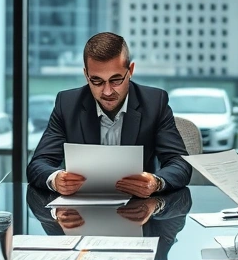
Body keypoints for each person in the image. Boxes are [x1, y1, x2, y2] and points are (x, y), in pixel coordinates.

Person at [27, 32, 191, 197]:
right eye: (97, 81)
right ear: (86, 75)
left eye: (116, 80)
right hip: (81, 212)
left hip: (139, 209)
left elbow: (180, 164)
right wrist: (56, 179)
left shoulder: (155, 103)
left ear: (131, 70)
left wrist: (156, 182)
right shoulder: (67, 104)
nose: (107, 91)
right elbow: (38, 164)